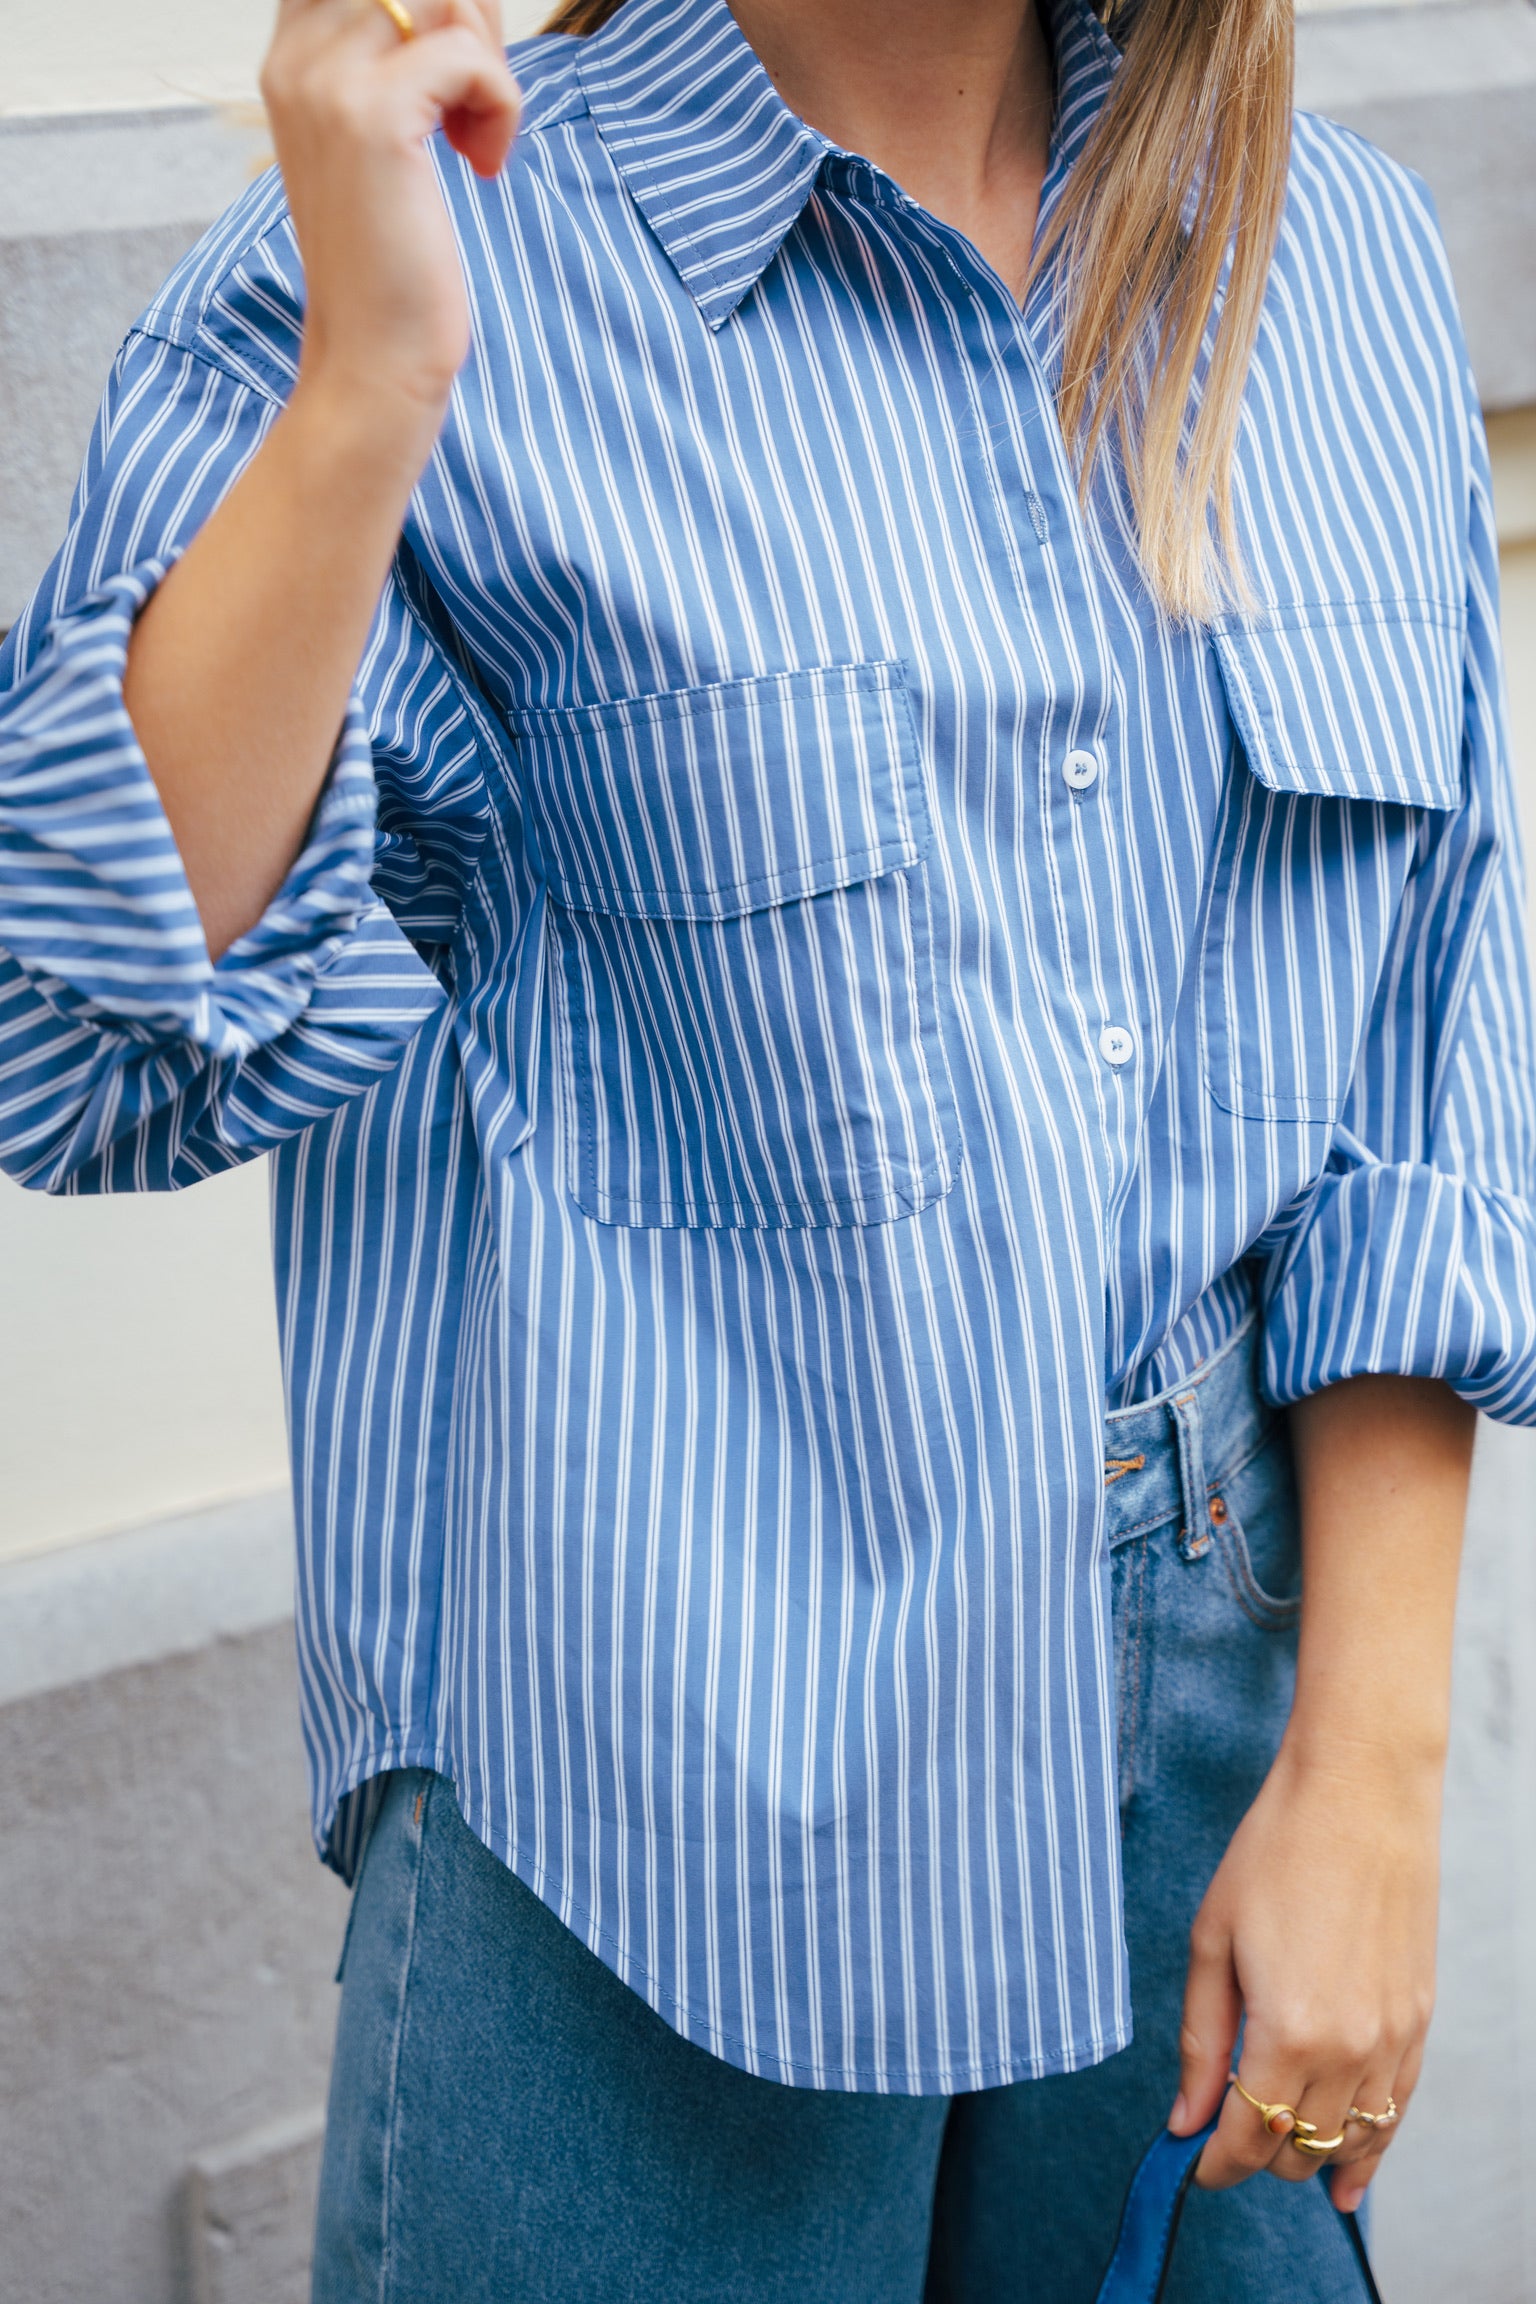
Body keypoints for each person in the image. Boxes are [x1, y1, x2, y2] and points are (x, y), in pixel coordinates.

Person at [1, 0, 1530, 2293]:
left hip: (1221, 1764)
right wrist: (368, 393)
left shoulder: (1335, 258)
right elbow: (81, 1045)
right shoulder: (415, 260)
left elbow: (1417, 1040)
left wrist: (1375, 1776)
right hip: (651, 1786)